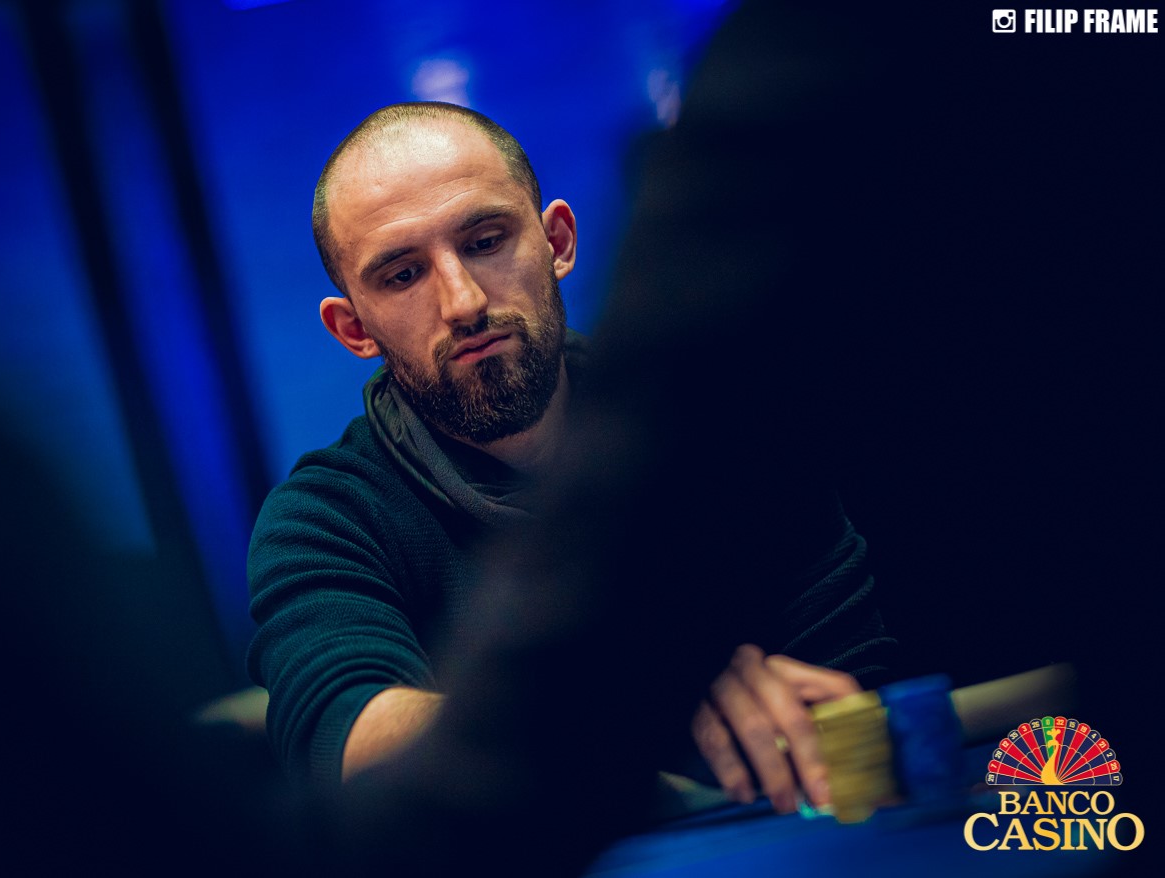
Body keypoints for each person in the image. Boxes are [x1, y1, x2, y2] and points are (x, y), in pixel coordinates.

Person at [245, 101, 897, 813]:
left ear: (556, 241)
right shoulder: (324, 520)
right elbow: (345, 742)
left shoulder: (726, 429)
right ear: (353, 328)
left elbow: (855, 697)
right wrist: (630, 696)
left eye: (486, 241)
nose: (463, 302)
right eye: (403, 276)